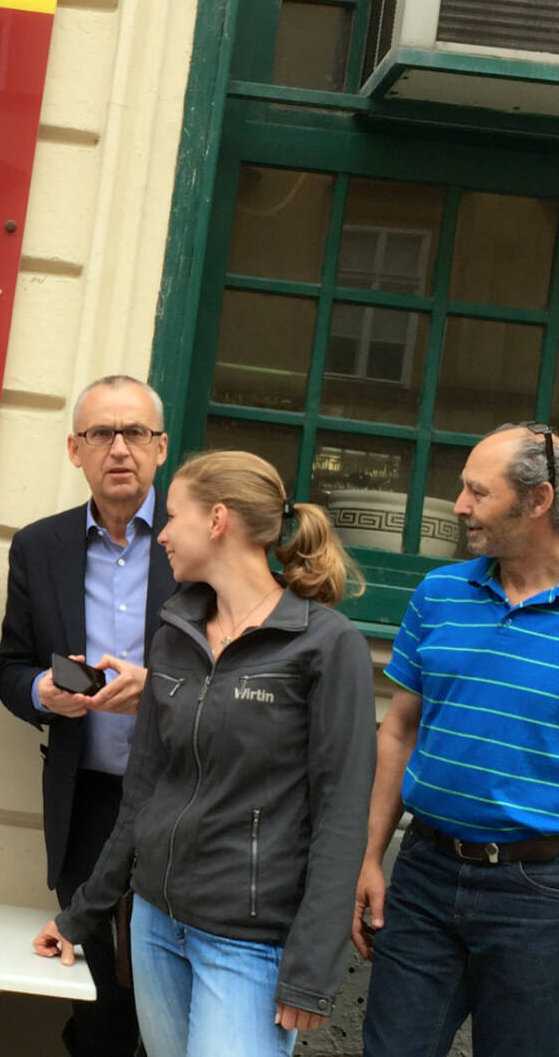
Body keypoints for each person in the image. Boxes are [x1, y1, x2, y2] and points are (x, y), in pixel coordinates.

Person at [354, 423, 559, 1057]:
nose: (459, 506)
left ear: (537, 501)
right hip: (423, 871)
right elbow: (399, 727)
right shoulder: (438, 595)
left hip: (543, 894)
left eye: (478, 492)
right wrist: (372, 858)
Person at [34, 450, 377, 1056]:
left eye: (172, 516)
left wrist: (311, 969)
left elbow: (342, 813)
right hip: (156, 925)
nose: (161, 533)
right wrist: (80, 916)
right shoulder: (176, 635)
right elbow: (141, 796)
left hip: (249, 944)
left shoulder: (326, 645)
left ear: (217, 520)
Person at [0, 373, 176, 1056]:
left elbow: (239, 670)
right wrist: (44, 690)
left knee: (164, 998)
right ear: (75, 449)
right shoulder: (39, 547)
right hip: (89, 799)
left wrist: (158, 686)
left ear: (160, 447)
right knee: (98, 999)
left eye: (135, 433)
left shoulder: (196, 542)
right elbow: (10, 667)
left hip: (185, 798)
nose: (119, 448)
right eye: (102, 433)